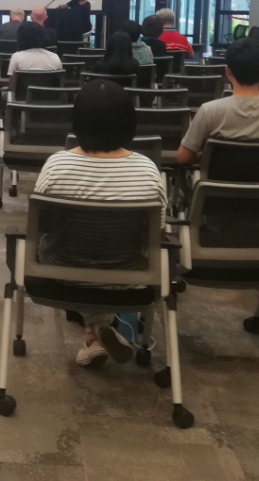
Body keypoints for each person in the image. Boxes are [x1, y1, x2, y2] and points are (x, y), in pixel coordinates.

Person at [34, 80, 167, 367]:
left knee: (64, 250)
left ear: (77, 121)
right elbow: (157, 232)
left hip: (62, 270)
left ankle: (95, 335)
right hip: (129, 275)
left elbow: (40, 225)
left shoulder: (56, 165)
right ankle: (99, 331)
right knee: (107, 256)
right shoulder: (148, 170)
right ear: (129, 122)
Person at [177, 38, 259, 169]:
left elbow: (183, 157)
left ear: (227, 71)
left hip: (217, 189)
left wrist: (208, 157)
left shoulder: (209, 111)